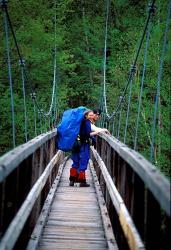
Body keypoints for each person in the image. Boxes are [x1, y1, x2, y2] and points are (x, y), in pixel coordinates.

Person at [69, 110, 99, 187]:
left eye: (93, 115)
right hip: (83, 144)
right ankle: (82, 182)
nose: (92, 116)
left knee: (75, 161)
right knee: (83, 161)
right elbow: (87, 134)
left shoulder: (79, 122)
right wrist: (98, 132)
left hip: (75, 143)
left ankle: (72, 180)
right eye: (90, 115)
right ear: (86, 116)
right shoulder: (87, 122)